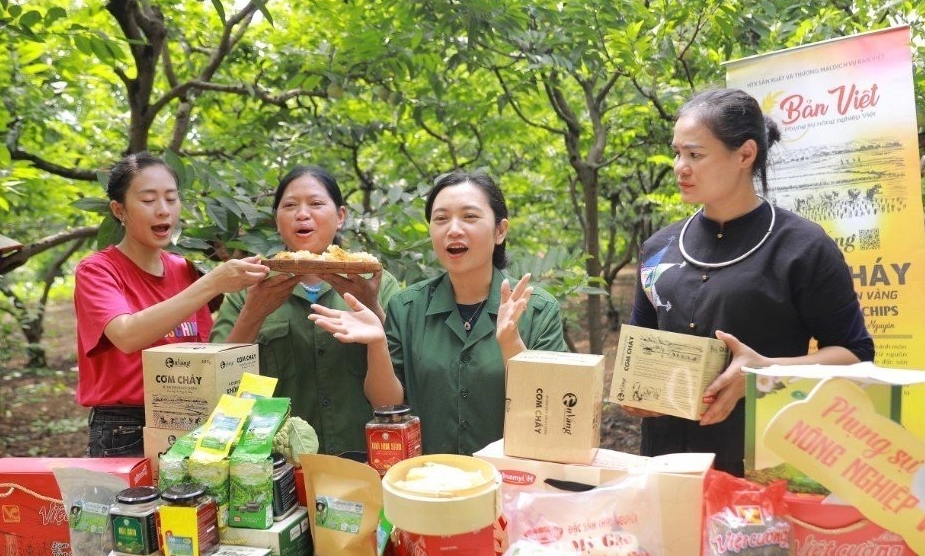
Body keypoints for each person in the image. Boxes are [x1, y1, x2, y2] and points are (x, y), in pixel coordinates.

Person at [627, 88, 874, 475]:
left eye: (695, 154)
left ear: (744, 154)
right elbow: (639, 352)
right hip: (664, 465)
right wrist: (636, 391)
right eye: (677, 153)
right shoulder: (659, 248)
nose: (680, 167)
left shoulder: (803, 248)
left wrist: (764, 372)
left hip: (761, 467)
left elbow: (856, 357)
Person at [310, 170, 567, 455]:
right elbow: (386, 405)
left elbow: (553, 415)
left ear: (500, 230)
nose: (453, 229)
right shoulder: (407, 307)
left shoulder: (538, 309)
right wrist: (377, 344)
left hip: (513, 481)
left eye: (470, 217)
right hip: (429, 480)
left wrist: (511, 345)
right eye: (441, 219)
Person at [74, 152, 269, 457]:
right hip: (126, 428)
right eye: (148, 200)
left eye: (171, 198)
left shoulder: (185, 269)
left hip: (192, 419)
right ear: (119, 209)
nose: (163, 210)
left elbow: (206, 356)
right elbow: (126, 336)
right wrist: (213, 283)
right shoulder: (98, 270)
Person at [211, 166, 400, 455]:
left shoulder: (377, 282)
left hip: (363, 455)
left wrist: (372, 306)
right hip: (276, 462)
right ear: (277, 221)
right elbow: (218, 389)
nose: (302, 214)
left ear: (340, 217)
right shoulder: (248, 286)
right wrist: (253, 313)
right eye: (289, 206)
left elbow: (402, 377)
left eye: (315, 203)